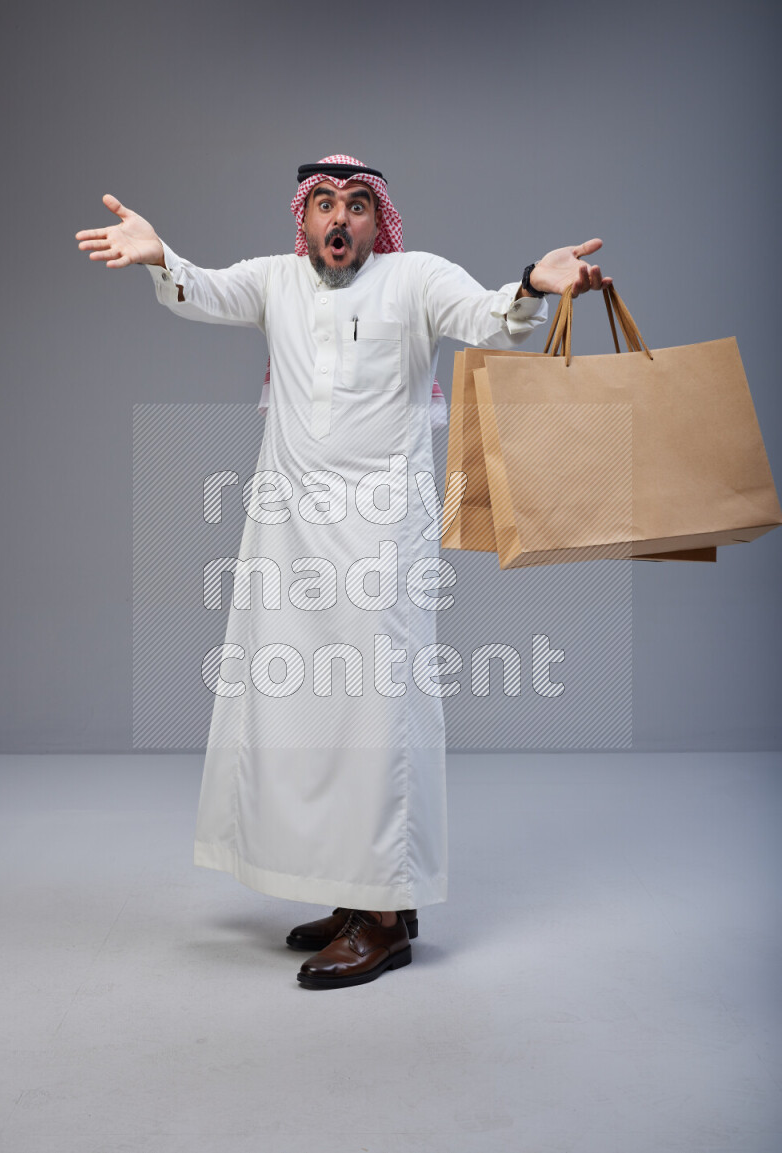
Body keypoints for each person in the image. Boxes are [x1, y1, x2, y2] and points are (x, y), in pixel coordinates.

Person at [76, 154, 613, 990]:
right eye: (324, 202)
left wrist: (533, 284)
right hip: (288, 535)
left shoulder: (414, 279)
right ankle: (358, 892)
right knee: (305, 711)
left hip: (378, 538)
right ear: (303, 218)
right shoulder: (276, 282)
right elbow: (207, 291)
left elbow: (489, 319)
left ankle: (387, 922)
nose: (340, 218)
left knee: (376, 715)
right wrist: (160, 256)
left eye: (358, 205)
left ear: (378, 220)